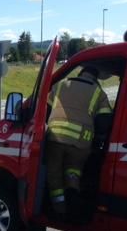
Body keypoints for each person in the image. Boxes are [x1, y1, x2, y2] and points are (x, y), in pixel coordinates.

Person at [45, 65, 112, 216]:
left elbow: (45, 110)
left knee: (54, 172)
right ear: (95, 77)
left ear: (80, 73)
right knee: (73, 169)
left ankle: (59, 209)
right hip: (81, 143)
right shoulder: (98, 92)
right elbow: (104, 121)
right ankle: (72, 193)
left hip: (56, 139)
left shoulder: (60, 85)